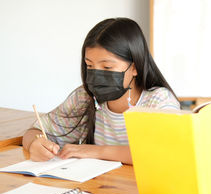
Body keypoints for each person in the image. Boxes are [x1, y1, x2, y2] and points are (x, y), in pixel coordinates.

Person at [23, 18, 180, 164]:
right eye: (89, 66)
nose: (96, 74)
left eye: (107, 67)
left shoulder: (159, 101)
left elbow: (166, 152)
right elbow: (34, 131)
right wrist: (35, 144)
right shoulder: (84, 98)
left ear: (134, 67)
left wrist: (97, 151)